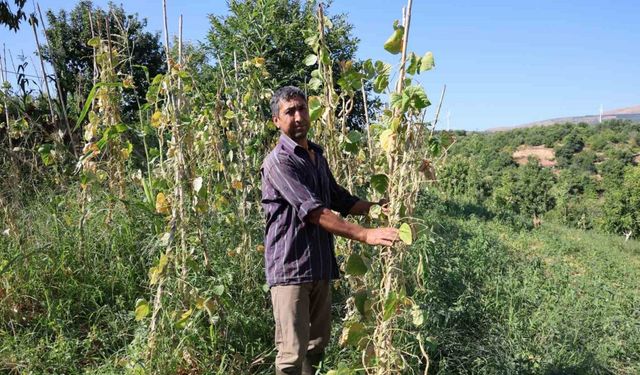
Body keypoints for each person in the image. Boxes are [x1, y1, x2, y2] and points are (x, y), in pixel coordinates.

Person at [261, 86, 399, 375]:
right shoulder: (279, 162)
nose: (298, 116)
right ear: (276, 120)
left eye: (302, 108)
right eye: (289, 112)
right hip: (291, 268)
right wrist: (365, 234)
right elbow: (312, 211)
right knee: (291, 355)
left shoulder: (316, 156)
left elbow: (338, 198)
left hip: (319, 265)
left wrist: (375, 207)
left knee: (317, 346)